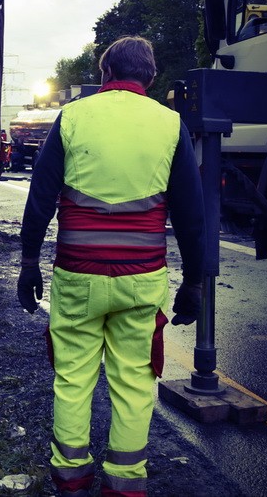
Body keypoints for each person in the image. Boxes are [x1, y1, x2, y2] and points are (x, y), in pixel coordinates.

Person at [18, 36, 205, 497]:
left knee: (73, 376)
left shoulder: (74, 117)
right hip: (141, 280)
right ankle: (124, 483)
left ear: (105, 74)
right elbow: (190, 212)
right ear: (151, 78)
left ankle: (71, 476)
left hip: (78, 275)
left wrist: (27, 262)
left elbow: (40, 197)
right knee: (134, 382)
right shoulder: (170, 123)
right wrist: (195, 282)